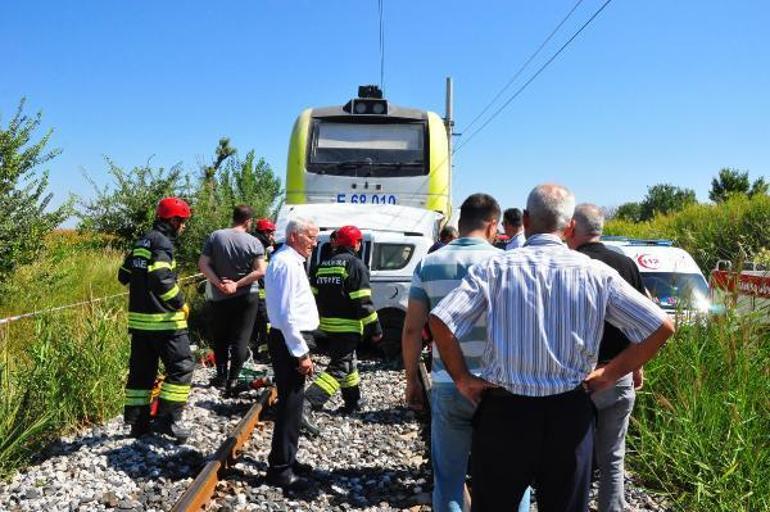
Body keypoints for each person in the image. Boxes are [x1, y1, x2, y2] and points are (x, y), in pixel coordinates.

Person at [429, 183, 675, 512]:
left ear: (526, 220)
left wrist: (461, 377)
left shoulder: (495, 269)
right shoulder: (596, 273)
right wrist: (608, 374)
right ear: (569, 226)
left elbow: (441, 321)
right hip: (569, 416)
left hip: (506, 414)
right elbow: (661, 326)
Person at [402, 193, 530, 512]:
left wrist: (411, 380)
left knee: (448, 477)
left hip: (448, 382)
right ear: (491, 225)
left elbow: (411, 330)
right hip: (501, 385)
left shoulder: (428, 264)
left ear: (461, 224)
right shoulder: (506, 263)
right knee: (513, 474)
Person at [566, 203, 646, 512]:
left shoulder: (571, 264)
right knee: (614, 455)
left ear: (572, 227)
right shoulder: (625, 264)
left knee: (572, 453)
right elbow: (644, 322)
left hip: (577, 379)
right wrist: (636, 366)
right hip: (618, 372)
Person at [118, 197, 195, 443]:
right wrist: (180, 302)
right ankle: (168, 419)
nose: (183, 227)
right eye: (182, 222)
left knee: (142, 373)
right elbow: (162, 278)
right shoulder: (163, 243)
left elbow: (124, 274)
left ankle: (138, 423)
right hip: (165, 322)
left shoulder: (143, 241)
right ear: (172, 220)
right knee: (182, 367)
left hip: (140, 323)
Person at [264, 217, 320, 491]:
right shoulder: (286, 264)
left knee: (294, 404)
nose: (315, 242)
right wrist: (301, 352)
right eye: (311, 236)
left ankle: (287, 458)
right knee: (290, 404)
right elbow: (286, 315)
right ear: (295, 236)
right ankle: (280, 470)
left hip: (289, 338)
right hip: (290, 339)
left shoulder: (289, 261)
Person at [306, 225, 383, 413]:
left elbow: (313, 297)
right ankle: (308, 403)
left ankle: (353, 402)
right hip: (347, 327)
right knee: (339, 367)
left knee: (349, 361)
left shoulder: (322, 265)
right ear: (356, 244)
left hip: (326, 325)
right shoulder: (355, 265)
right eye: (359, 242)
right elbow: (363, 301)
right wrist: (375, 329)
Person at [198, 205, 266, 395]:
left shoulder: (216, 236)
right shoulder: (254, 242)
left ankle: (220, 377)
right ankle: (233, 381)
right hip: (246, 297)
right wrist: (237, 284)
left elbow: (203, 264)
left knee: (220, 337)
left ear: (233, 218)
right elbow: (260, 271)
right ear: (248, 221)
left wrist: (220, 283)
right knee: (240, 339)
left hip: (219, 297)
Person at [252, 218, 277, 362]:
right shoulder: (259, 246)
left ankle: (255, 352)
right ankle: (264, 354)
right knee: (265, 324)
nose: (272, 237)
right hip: (260, 294)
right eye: (271, 234)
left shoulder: (257, 244)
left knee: (256, 325)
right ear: (265, 233)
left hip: (255, 293)